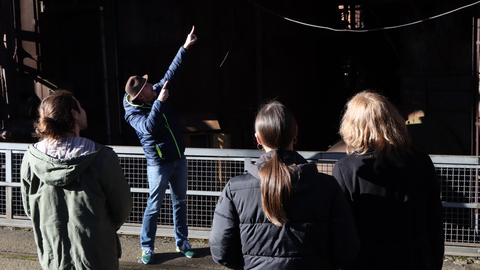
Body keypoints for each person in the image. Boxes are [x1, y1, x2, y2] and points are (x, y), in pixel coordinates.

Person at [209, 100, 360, 270]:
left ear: (258, 138)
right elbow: (346, 249)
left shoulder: (235, 189)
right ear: (295, 132)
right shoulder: (327, 187)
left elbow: (221, 250)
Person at [20, 89, 132, 270]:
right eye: (80, 107)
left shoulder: (31, 159)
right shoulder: (102, 157)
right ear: (74, 114)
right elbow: (122, 208)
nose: (84, 111)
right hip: (97, 256)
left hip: (54, 256)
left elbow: (29, 207)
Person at [332, 91, 444, 270]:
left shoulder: (346, 169)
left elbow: (342, 232)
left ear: (352, 124)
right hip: (416, 261)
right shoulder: (422, 162)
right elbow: (435, 222)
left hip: (366, 262)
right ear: (393, 120)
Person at [123, 26, 198, 264]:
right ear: (140, 97)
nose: (151, 85)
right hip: (158, 164)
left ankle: (182, 241)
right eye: (147, 86)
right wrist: (160, 104)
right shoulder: (133, 113)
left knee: (181, 202)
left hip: (177, 158)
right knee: (153, 206)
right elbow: (148, 128)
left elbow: (171, 74)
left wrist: (185, 47)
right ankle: (147, 247)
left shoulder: (152, 95)